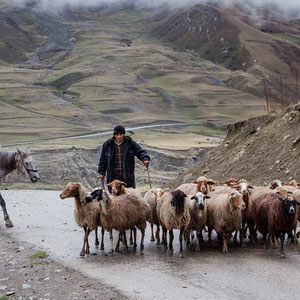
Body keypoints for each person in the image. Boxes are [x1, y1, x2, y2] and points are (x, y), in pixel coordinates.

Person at [98, 125, 150, 190]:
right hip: (113, 179)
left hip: (127, 178)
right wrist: (101, 172)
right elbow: (103, 160)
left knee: (129, 196)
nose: (119, 137)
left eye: (121, 134)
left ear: (124, 134)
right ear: (114, 135)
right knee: (114, 197)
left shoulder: (130, 143)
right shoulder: (108, 145)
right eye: (117, 134)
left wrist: (145, 159)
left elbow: (140, 151)